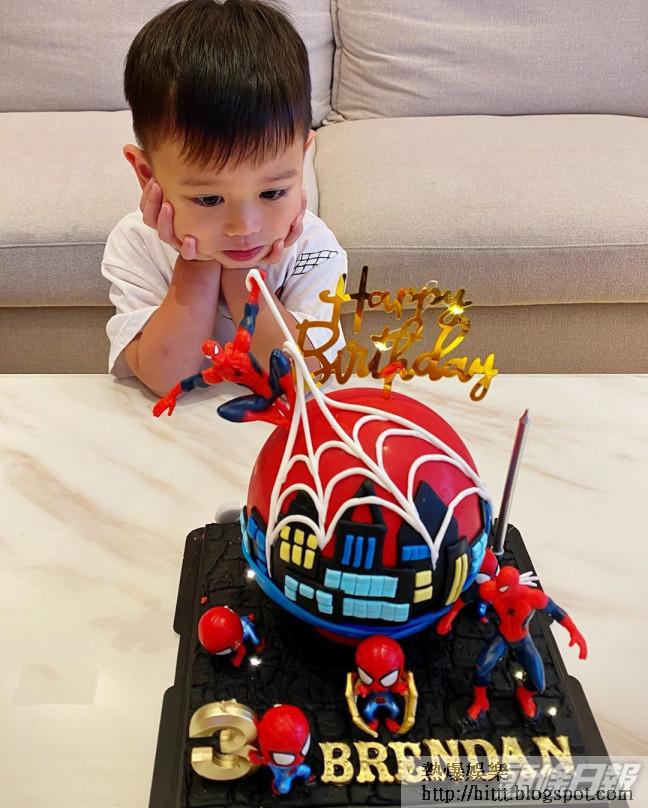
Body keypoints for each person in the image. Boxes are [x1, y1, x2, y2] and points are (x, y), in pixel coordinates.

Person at [101, 0, 347, 397]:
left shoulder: (313, 249)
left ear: (302, 159)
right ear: (148, 176)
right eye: (209, 199)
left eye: (272, 192)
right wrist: (196, 265)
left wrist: (243, 276)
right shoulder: (136, 243)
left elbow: (301, 379)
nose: (244, 227)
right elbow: (167, 381)